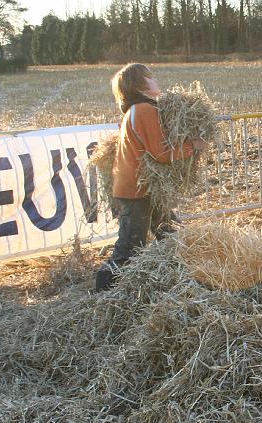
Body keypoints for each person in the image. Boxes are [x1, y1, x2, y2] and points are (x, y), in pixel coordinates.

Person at [95, 63, 205, 291]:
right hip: (137, 190)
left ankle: (185, 280)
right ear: (140, 84)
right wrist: (191, 146)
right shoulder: (144, 111)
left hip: (146, 188)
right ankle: (102, 290)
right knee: (129, 247)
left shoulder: (136, 110)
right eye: (150, 77)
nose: (156, 80)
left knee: (169, 234)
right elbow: (161, 153)